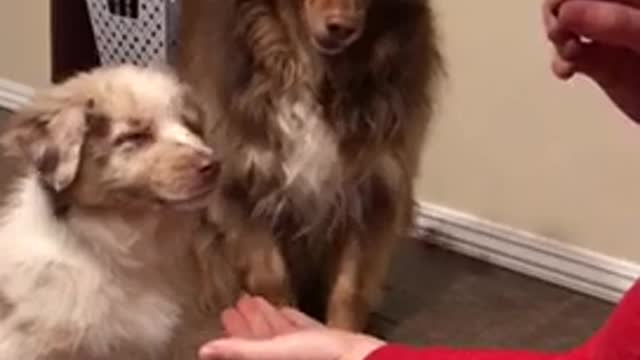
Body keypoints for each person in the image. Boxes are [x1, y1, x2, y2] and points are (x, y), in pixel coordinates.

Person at [199, 0, 640, 359]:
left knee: (373, 203)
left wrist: (349, 341)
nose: (341, 13)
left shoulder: (397, 59)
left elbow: (378, 206)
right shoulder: (234, 60)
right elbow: (233, 197)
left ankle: (343, 307)